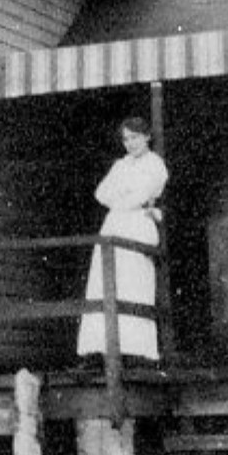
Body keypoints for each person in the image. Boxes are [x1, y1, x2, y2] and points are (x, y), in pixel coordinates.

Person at [77, 117, 168, 365]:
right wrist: (123, 198)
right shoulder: (120, 165)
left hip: (137, 225)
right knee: (105, 282)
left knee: (133, 283)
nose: (130, 143)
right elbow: (101, 193)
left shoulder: (155, 164)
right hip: (115, 223)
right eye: (126, 139)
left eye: (135, 137)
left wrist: (124, 197)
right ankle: (102, 347)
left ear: (147, 137)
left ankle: (136, 350)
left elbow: (141, 194)